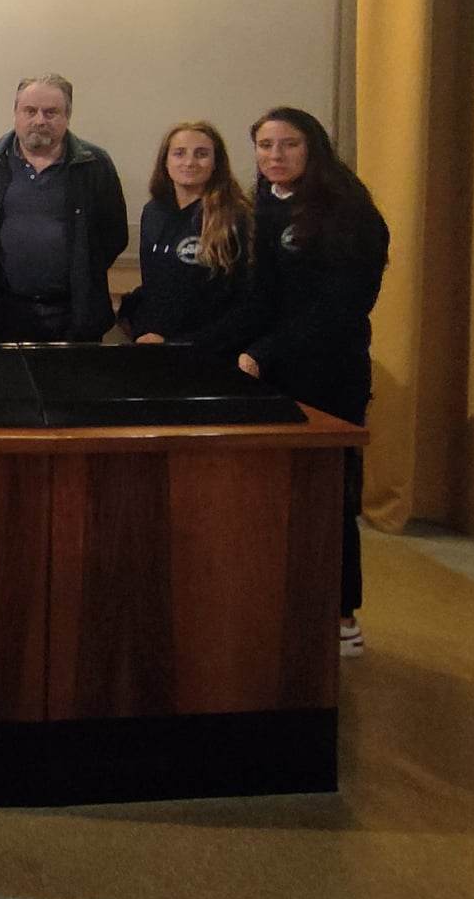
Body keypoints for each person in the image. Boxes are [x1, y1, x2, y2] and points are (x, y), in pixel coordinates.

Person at [227, 107, 390, 656]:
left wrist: (263, 351)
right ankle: (285, 604)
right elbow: (260, 300)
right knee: (274, 497)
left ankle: (343, 615)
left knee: (330, 498)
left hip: (330, 373)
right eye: (265, 145)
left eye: (289, 145)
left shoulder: (350, 214)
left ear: (314, 148)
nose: (276, 156)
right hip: (272, 373)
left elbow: (340, 308)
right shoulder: (266, 209)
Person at [0, 74, 128, 342]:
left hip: (75, 316)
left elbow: (114, 235)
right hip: (3, 314)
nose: (40, 120)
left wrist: (80, 273)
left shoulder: (95, 165)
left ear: (67, 116)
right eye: (30, 111)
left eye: (51, 112)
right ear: (15, 114)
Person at [117, 121, 251, 346]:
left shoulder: (235, 217)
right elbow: (154, 286)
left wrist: (180, 342)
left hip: (207, 347)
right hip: (154, 344)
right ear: (165, 162)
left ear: (216, 163)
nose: (190, 162)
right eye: (179, 153)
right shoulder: (154, 212)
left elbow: (242, 302)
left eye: (201, 154)